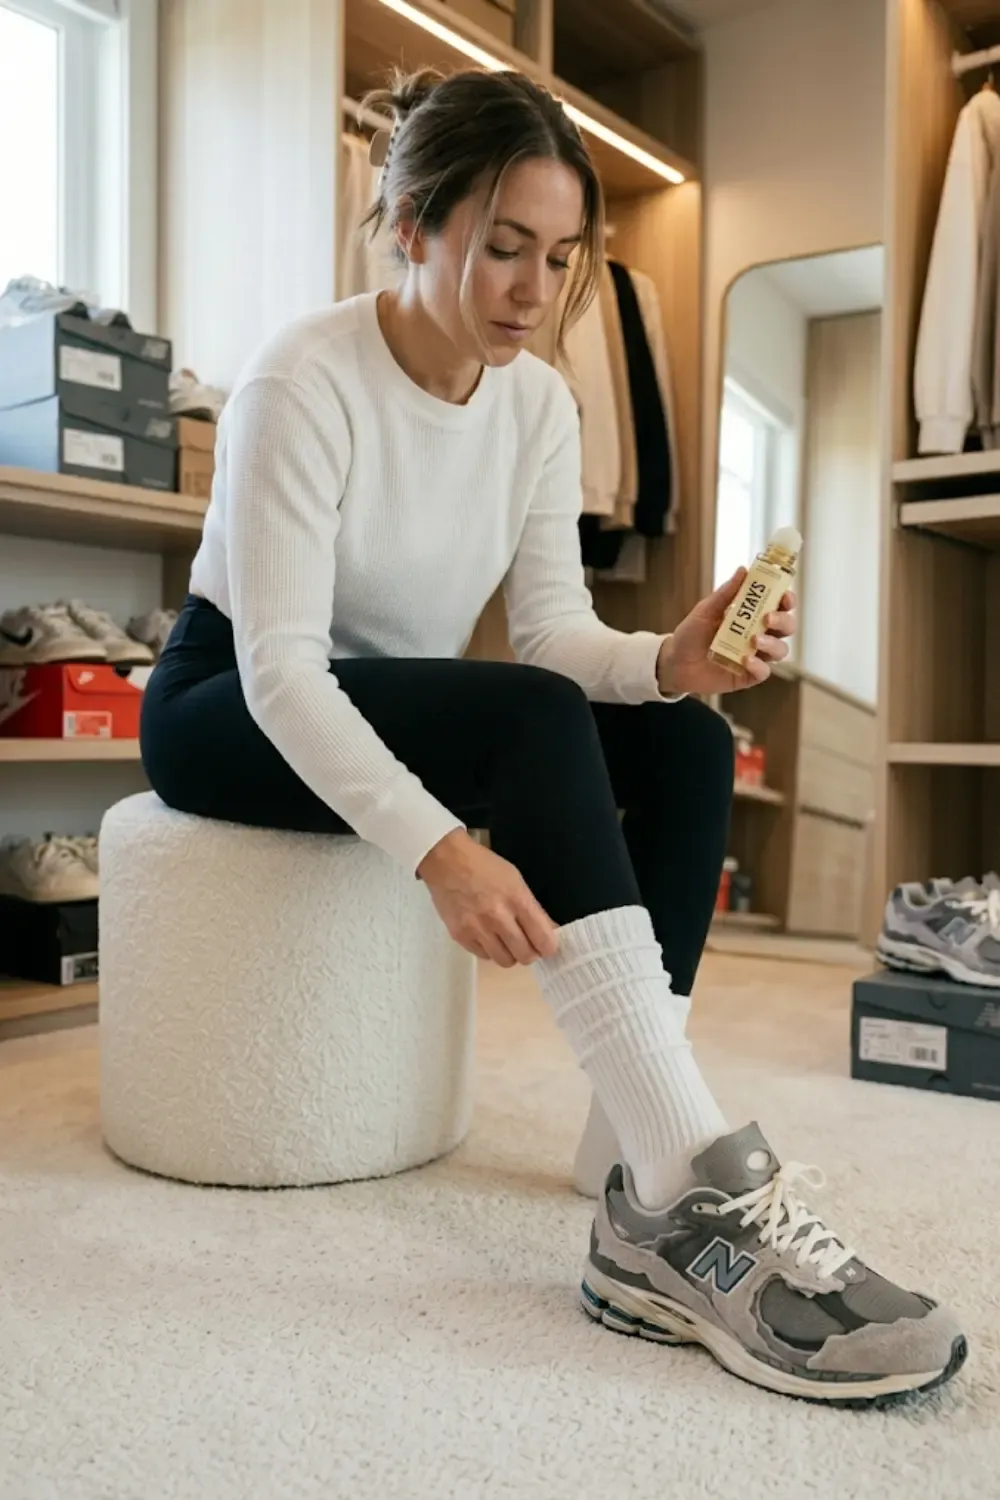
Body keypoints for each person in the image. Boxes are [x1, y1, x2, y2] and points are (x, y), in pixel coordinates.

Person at [140, 66, 965, 1405]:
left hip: (392, 685)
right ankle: (695, 1194)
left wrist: (670, 659)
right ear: (412, 226)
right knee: (527, 725)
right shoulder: (306, 373)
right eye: (504, 246)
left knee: (689, 737)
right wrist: (438, 851)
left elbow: (551, 636)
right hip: (223, 702)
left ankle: (630, 1152)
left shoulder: (536, 403)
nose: (534, 288)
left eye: (562, 257)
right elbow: (286, 672)